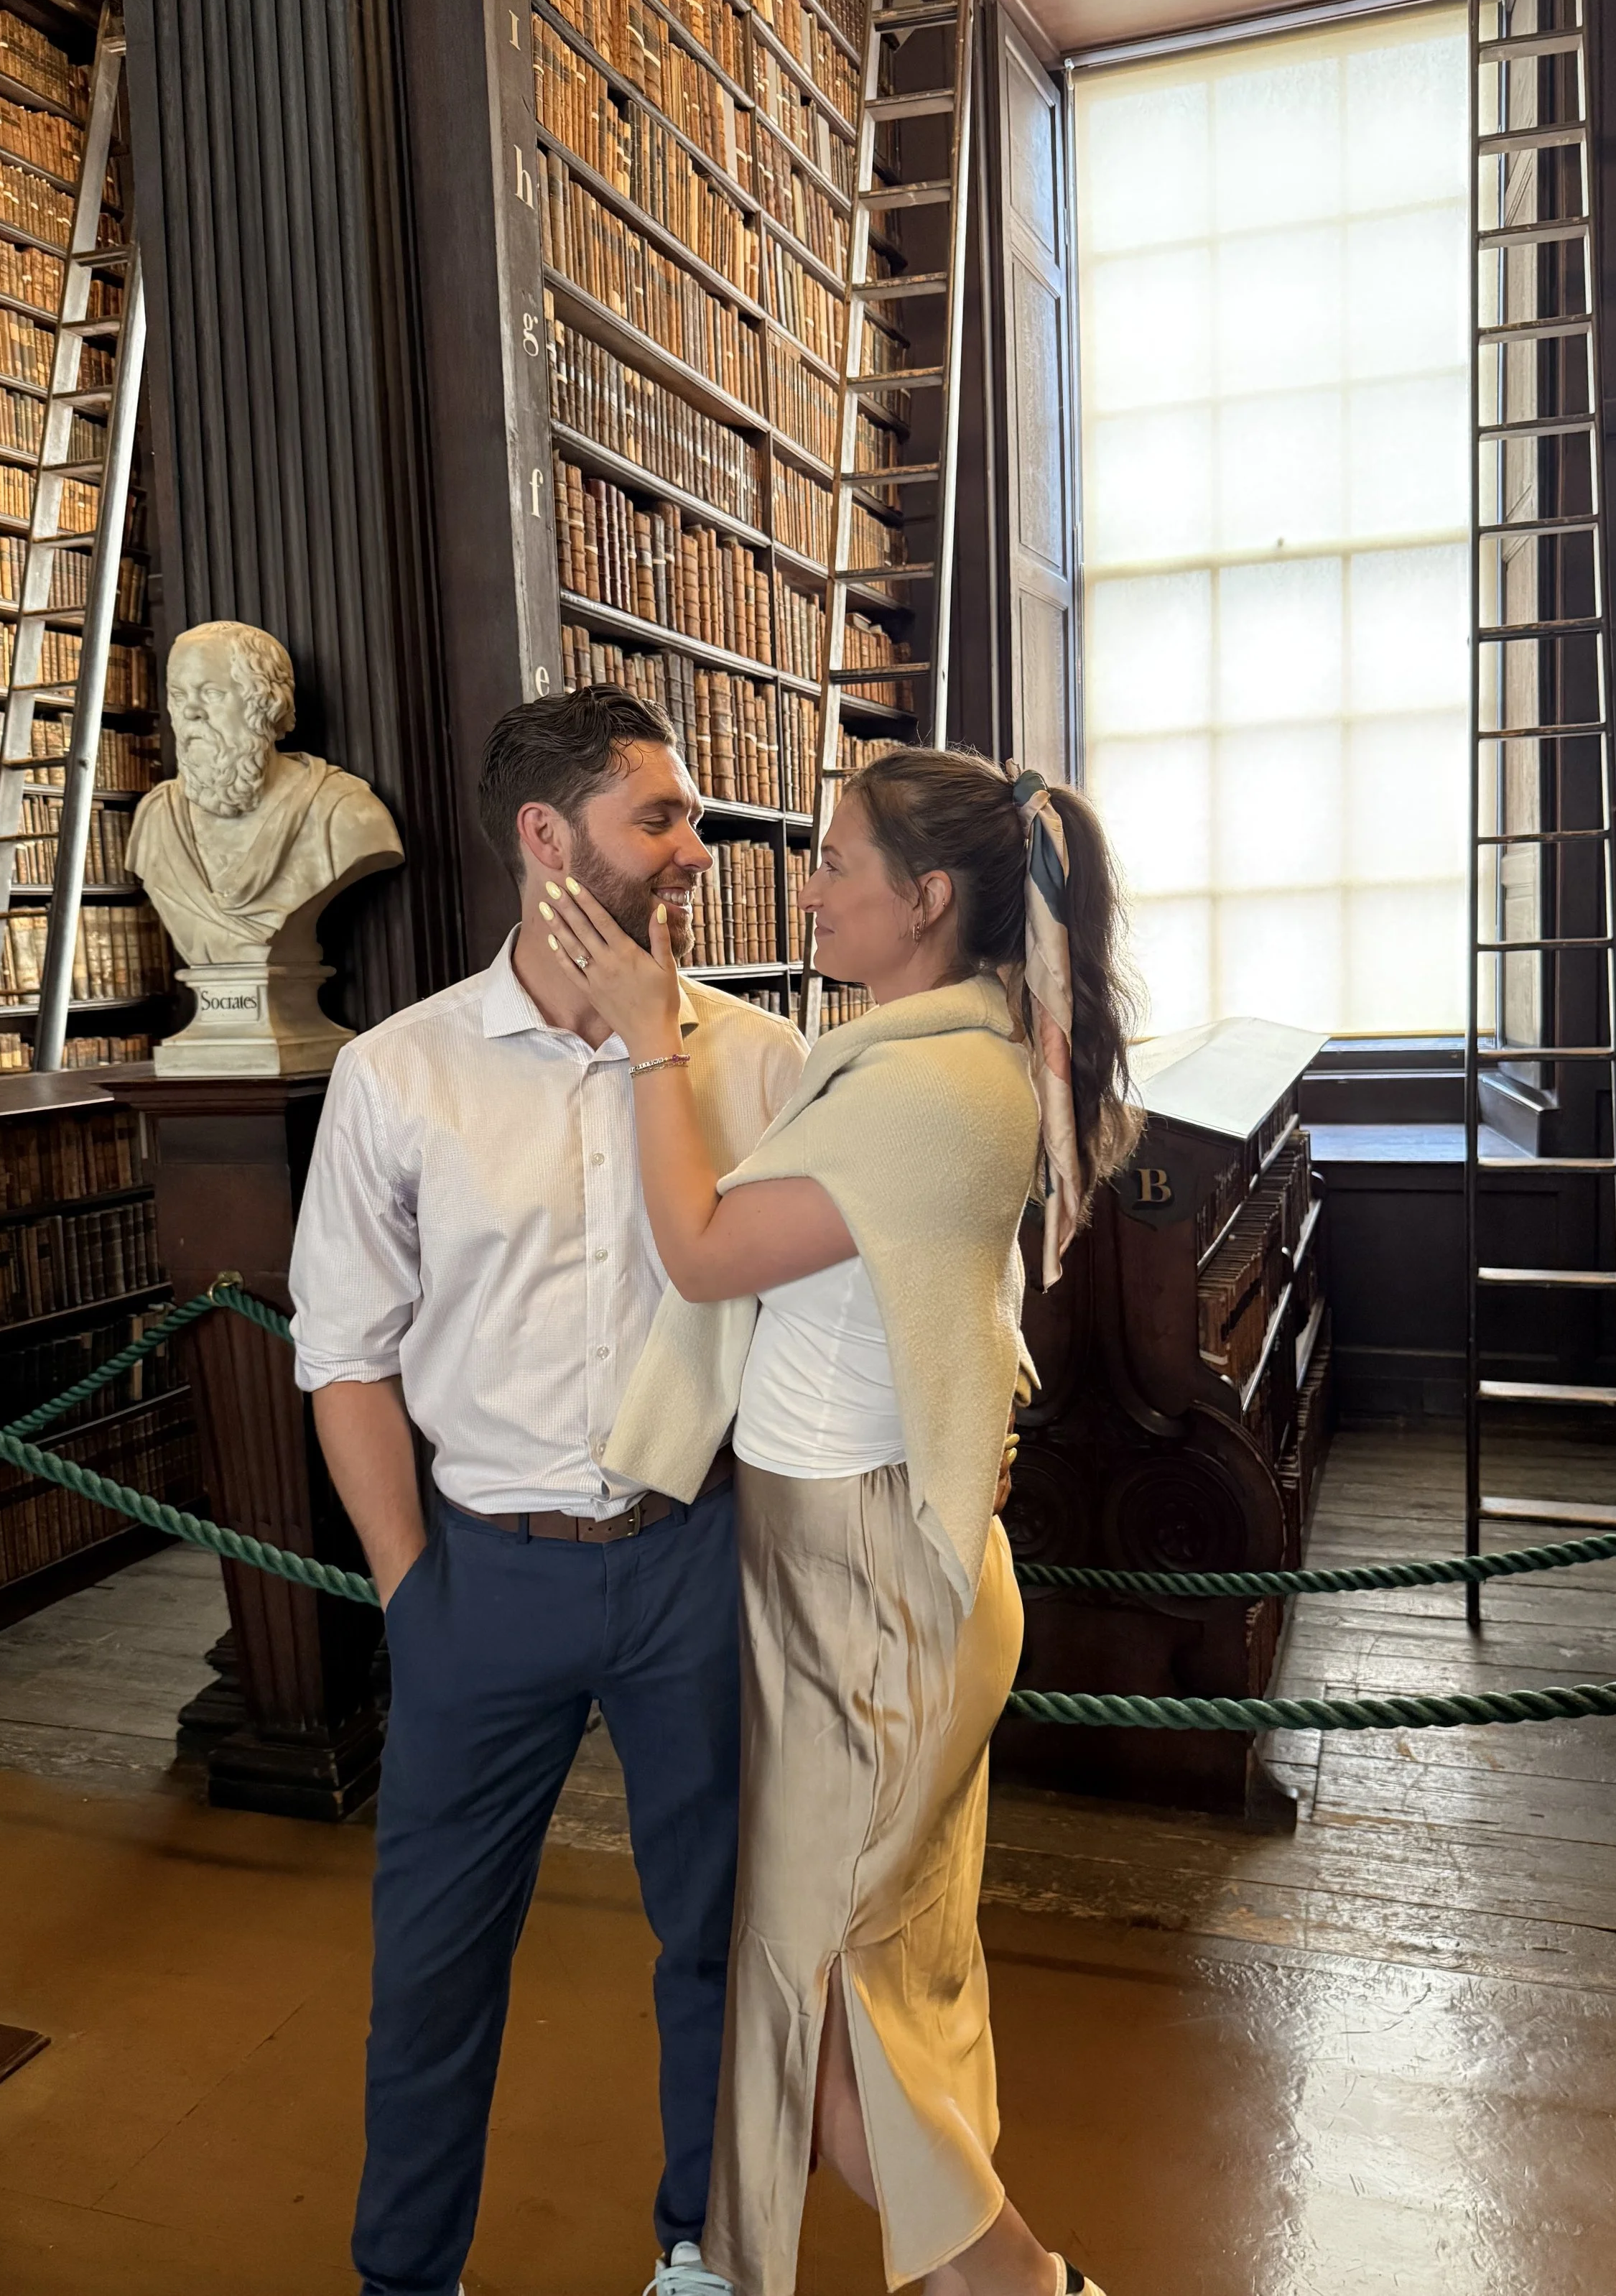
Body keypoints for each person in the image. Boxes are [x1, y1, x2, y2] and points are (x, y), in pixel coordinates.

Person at [538, 744, 1140, 2296]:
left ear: (923, 898)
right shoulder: (921, 1047)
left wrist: (649, 1038)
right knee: (864, 1977)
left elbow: (700, 1247)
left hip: (865, 1586)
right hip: (843, 1568)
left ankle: (1016, 2284)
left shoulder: (935, 1084)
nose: (802, 886)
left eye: (830, 863)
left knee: (822, 2002)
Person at [288, 687, 807, 2296]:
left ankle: (700, 2257)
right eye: (659, 818)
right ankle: (405, 2280)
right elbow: (343, 1351)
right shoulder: (400, 1073)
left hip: (693, 1562)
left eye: (690, 819)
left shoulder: (768, 1060)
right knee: (433, 1965)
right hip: (479, 1574)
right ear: (544, 837)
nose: (694, 852)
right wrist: (407, 1589)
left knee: (721, 1945)